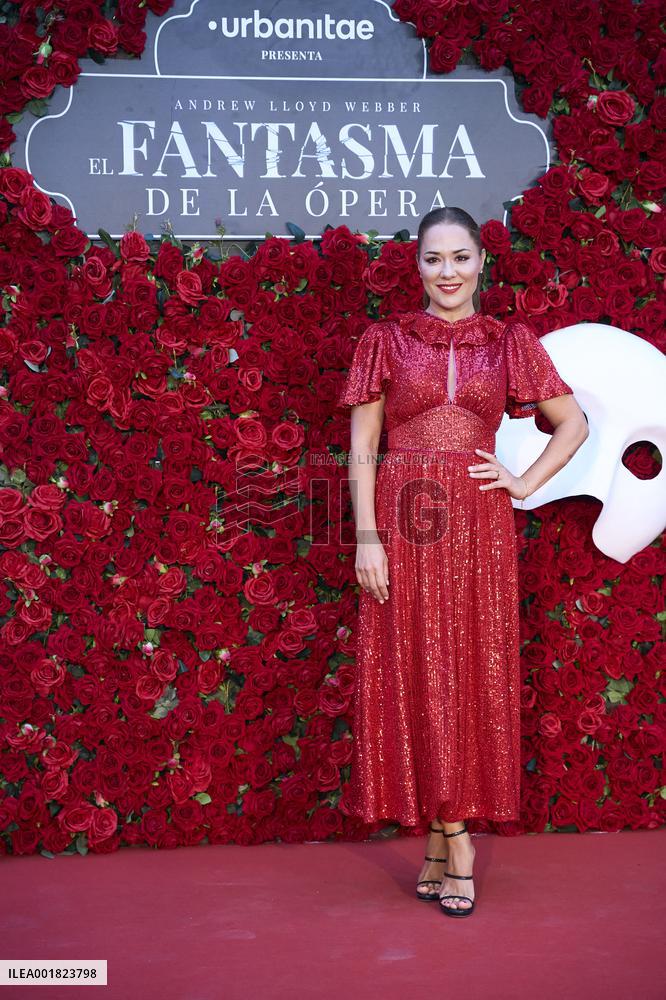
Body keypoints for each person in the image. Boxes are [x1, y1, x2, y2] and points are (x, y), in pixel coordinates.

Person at [335, 206, 588, 917]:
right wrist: (365, 538)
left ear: (482, 262)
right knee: (415, 669)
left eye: (459, 258)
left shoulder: (511, 341)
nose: (447, 272)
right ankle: (451, 839)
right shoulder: (384, 339)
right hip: (403, 521)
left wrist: (524, 482)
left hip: (478, 527)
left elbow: (574, 423)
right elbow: (362, 447)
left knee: (466, 669)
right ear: (416, 267)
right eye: (432, 259)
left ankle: (452, 844)